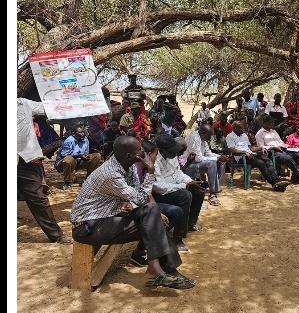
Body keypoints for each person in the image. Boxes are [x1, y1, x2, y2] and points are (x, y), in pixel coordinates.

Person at [71, 136, 195, 289]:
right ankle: (165, 269)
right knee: (152, 219)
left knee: (151, 211)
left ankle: (157, 269)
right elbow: (141, 197)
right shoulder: (111, 173)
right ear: (129, 155)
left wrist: (126, 205)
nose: (143, 151)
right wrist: (150, 170)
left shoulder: (129, 165)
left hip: (106, 215)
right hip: (87, 226)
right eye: (139, 150)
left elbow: (138, 195)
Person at [17, 95, 71, 243]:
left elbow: (48, 106)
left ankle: (56, 235)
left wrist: (69, 98)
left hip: (25, 160)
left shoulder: (23, 103)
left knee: (39, 199)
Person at [223, 119, 289, 191]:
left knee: (267, 161)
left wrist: (261, 147)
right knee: (260, 163)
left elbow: (250, 147)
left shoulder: (244, 135)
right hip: (240, 157)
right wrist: (244, 152)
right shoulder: (230, 136)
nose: (243, 129)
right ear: (235, 128)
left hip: (250, 154)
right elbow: (232, 149)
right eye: (241, 128)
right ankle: (274, 183)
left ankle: (276, 181)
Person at [183, 124, 228, 205]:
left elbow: (208, 153)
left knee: (216, 162)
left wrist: (219, 157)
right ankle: (212, 194)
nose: (210, 138)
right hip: (187, 166)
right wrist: (217, 158)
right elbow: (198, 158)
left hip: (196, 164)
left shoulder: (203, 139)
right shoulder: (194, 138)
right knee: (211, 164)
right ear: (203, 133)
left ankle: (216, 189)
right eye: (210, 135)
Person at [54, 124, 103, 189]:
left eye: (83, 132)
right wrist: (79, 155)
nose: (83, 134)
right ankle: (67, 182)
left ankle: (88, 180)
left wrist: (86, 156)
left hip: (78, 161)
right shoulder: (69, 141)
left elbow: (86, 152)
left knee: (97, 156)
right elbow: (64, 156)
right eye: (80, 132)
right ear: (73, 134)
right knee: (68, 159)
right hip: (63, 164)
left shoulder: (85, 139)